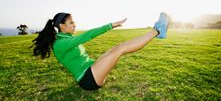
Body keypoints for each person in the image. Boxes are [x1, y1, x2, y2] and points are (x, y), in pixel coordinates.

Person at [31, 12, 169, 90]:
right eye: (71, 23)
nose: (74, 25)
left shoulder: (65, 38)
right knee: (120, 49)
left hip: (91, 70)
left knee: (117, 47)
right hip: (88, 79)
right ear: (61, 26)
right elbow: (87, 35)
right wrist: (111, 25)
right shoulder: (60, 44)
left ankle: (157, 30)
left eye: (74, 22)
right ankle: (157, 30)